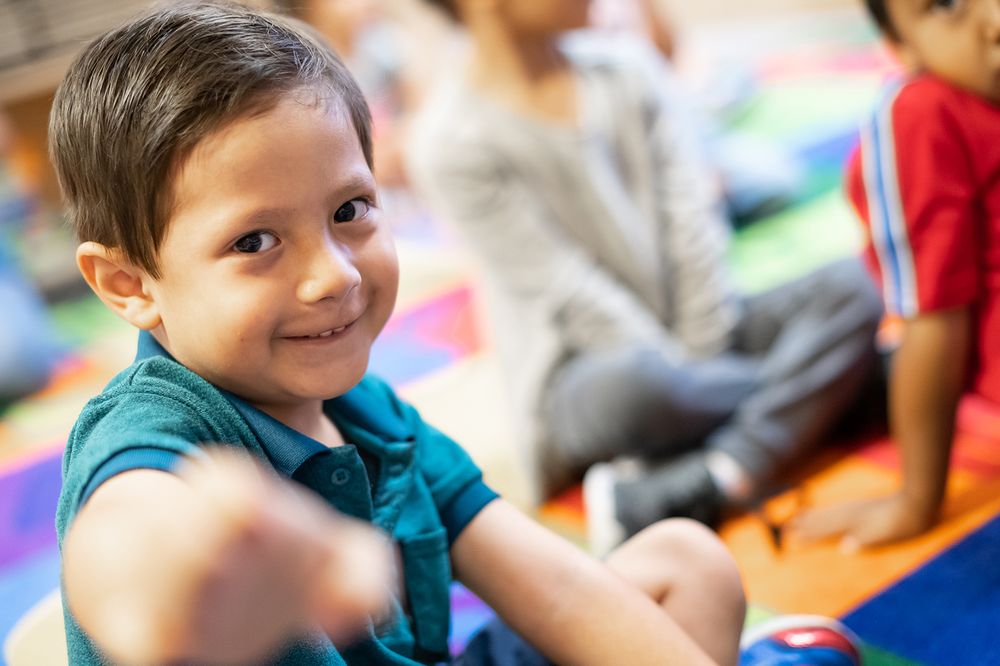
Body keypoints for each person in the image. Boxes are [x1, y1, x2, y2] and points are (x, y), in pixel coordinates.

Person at [51, 4, 750, 664]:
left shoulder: (371, 414)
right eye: (255, 240)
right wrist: (180, 570)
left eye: (350, 208)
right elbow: (123, 530)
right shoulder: (154, 426)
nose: (334, 276)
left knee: (687, 565)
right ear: (129, 284)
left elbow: (560, 590)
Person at [406, 0, 883, 554]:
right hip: (590, 371)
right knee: (642, 389)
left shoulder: (627, 69)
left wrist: (702, 349)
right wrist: (683, 369)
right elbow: (568, 292)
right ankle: (847, 386)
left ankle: (720, 471)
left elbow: (693, 222)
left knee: (857, 283)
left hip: (707, 329)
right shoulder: (449, 140)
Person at [790, 0, 1000, 550]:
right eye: (948, 5)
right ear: (900, 44)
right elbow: (931, 316)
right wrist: (916, 497)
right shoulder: (923, 116)